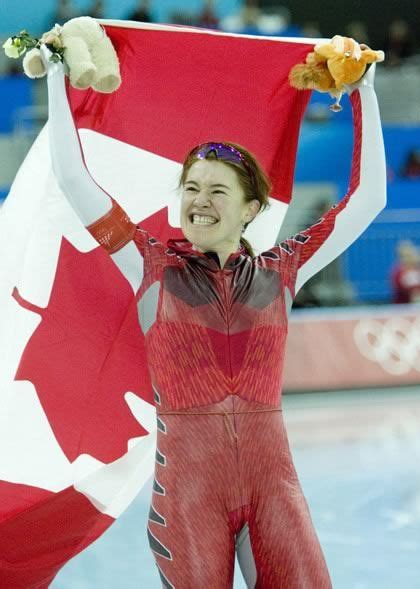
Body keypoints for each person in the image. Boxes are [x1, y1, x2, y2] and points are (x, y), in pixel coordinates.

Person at [42, 40, 386, 587]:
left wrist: (364, 91)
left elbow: (367, 201)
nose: (199, 200)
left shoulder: (283, 271)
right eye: (192, 188)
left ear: (251, 209)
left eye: (217, 190)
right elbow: (73, 180)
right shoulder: (151, 265)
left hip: (275, 487)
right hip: (188, 492)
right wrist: (58, 79)